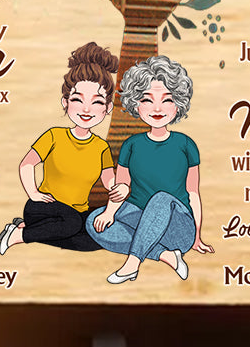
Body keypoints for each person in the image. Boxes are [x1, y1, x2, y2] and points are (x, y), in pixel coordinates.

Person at [85, 54, 214, 283]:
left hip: (177, 226)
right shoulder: (131, 145)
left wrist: (197, 236)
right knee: (94, 221)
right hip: (138, 217)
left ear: (178, 104)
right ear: (135, 103)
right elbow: (121, 188)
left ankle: (132, 264)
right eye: (147, 100)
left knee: (161, 199)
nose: (157, 108)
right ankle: (166, 256)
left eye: (167, 100)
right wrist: (109, 212)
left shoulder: (185, 144)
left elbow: (193, 192)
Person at [0, 41, 127, 254]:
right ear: (65, 102)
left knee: (96, 239)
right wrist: (33, 193)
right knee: (71, 223)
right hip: (44, 208)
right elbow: (27, 164)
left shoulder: (100, 147)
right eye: (78, 100)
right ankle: (18, 236)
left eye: (96, 102)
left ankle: (27, 230)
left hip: (77, 213)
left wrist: (119, 188)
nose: (86, 109)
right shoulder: (54, 136)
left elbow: (108, 180)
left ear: (108, 107)